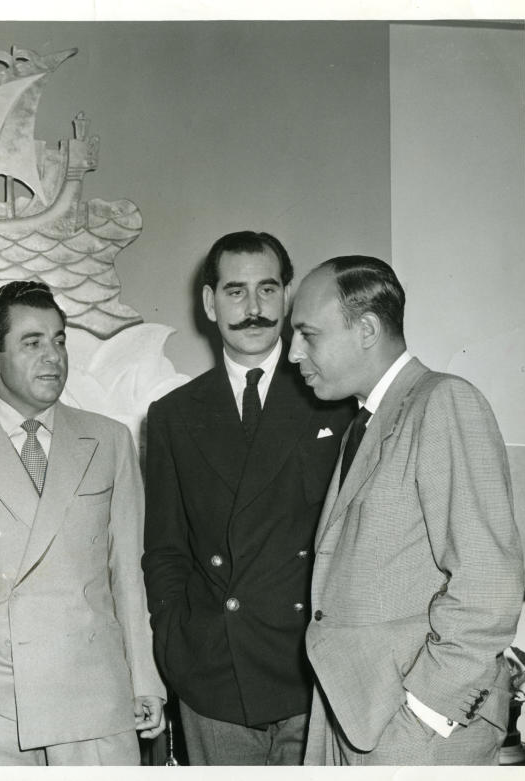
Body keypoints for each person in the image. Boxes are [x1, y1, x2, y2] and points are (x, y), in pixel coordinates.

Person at [288, 256, 525, 765]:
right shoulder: (364, 424)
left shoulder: (443, 402)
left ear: (367, 329)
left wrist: (421, 716)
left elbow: (488, 587)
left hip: (418, 737)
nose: (293, 353)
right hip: (363, 720)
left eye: (308, 334)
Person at [141, 231, 355, 765]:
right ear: (210, 303)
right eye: (236, 292)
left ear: (287, 295)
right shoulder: (173, 415)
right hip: (216, 673)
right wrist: (178, 642)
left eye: (267, 290)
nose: (254, 309)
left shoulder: (335, 397)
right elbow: (165, 547)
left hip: (315, 670)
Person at [0, 280, 166, 765]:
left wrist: (145, 679)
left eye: (59, 339)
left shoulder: (108, 440)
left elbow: (129, 574)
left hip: (94, 694)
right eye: (32, 342)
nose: (54, 356)